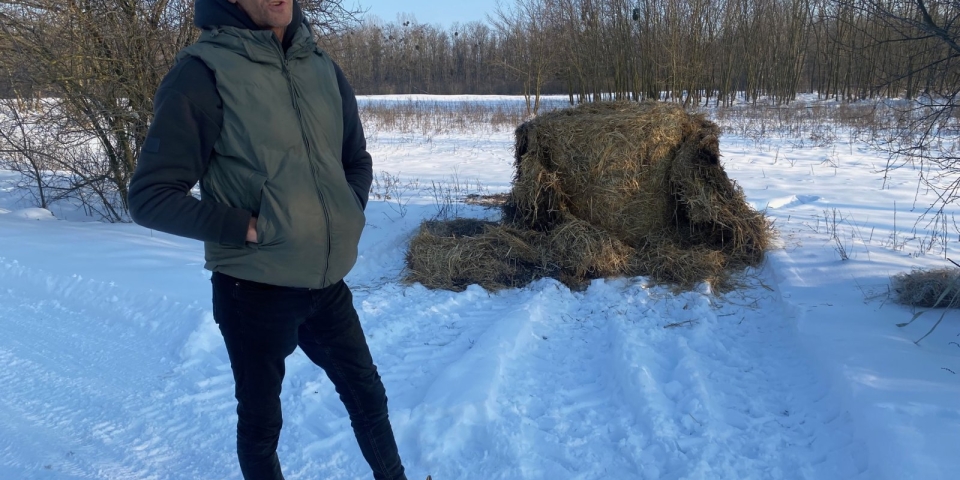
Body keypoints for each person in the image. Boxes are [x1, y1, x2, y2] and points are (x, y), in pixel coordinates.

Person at [127, 1, 407, 479]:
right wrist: (248, 228)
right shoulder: (202, 75)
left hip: (326, 283)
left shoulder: (321, 67)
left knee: (368, 396)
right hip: (252, 290)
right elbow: (150, 197)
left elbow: (356, 159)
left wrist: (344, 209)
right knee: (262, 426)